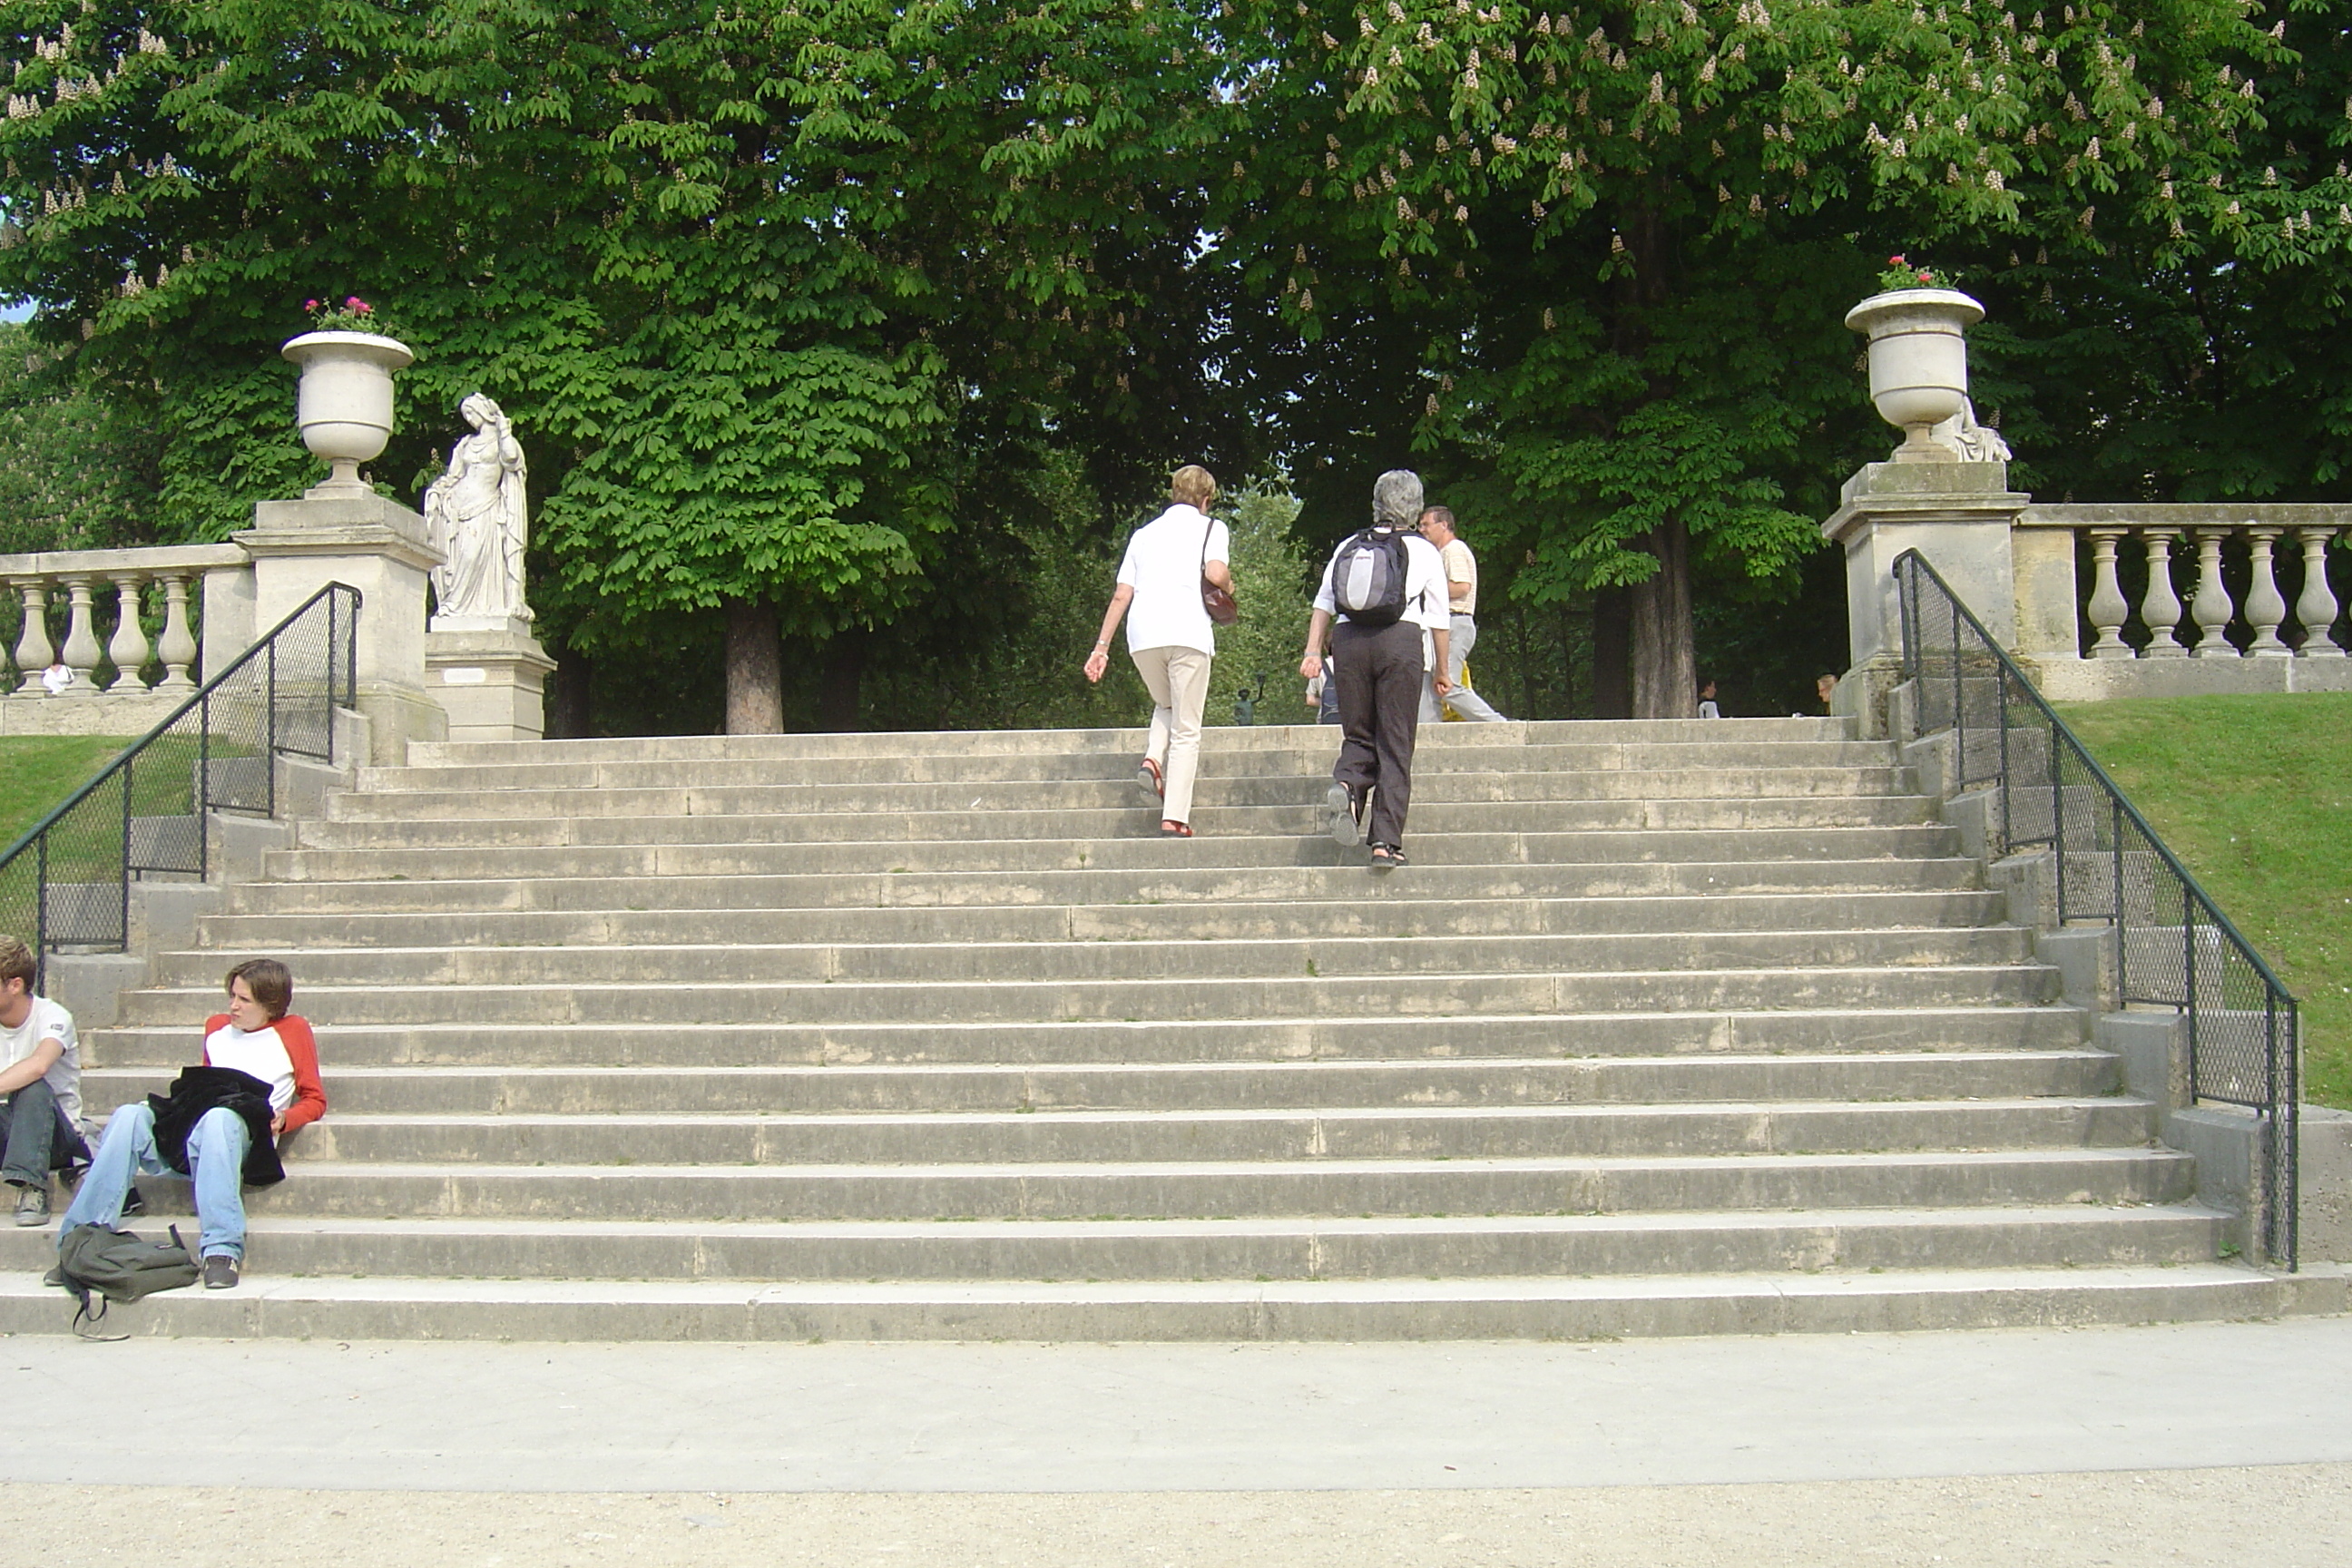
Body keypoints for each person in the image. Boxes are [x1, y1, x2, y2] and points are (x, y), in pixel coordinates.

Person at [57, 958, 325, 1289]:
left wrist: (284, 1119)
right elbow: (206, 1084)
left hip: (242, 1134)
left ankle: (221, 1249)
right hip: (195, 1133)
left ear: (270, 1005)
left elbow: (315, 1099)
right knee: (129, 1115)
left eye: (244, 1000)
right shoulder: (216, 1028)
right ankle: (80, 1241)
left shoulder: (294, 1030)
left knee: (220, 1118)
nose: (233, 1006)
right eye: (231, 996)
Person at [1298, 469, 1451, 870]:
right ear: (1415, 507)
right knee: (1395, 743)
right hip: (1400, 642)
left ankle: (1348, 787)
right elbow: (1439, 619)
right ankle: (1385, 842)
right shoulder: (1423, 551)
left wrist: (1313, 650)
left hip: (1348, 643)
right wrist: (1443, 670)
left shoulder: (1350, 544)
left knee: (1359, 732)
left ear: (1377, 503)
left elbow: (1323, 603)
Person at [1083, 465, 1233, 838]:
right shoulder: (1212, 527)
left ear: (1173, 493)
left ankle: (1152, 758)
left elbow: (1122, 594)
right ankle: (1175, 816)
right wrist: (1231, 585)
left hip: (1143, 635)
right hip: (1187, 632)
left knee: (1167, 703)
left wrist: (1101, 648)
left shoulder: (1143, 535)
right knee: (1187, 728)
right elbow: (1216, 575)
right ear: (1206, 498)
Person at [424, 393, 532, 624]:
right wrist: (438, 492)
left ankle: (457, 604)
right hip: (459, 509)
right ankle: (457, 604)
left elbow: (511, 459)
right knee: (461, 557)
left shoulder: (503, 442)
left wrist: (504, 430)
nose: (469, 418)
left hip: (486, 506)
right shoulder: (465, 444)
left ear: (483, 412)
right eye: (465, 414)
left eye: (472, 412)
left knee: (473, 556)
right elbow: (453, 476)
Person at [0, 937, 85, 1227]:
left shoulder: (53, 1017)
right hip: (7, 1132)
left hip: (57, 1137)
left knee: (31, 1086)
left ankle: (33, 1189)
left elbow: (39, 1065)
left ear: (15, 985)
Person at [1416, 506, 1510, 723]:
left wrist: (1427, 587)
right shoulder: (1442, 553)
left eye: (1426, 524)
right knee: (1429, 683)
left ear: (1444, 525)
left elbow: (1462, 586)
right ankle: (1427, 732)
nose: (1422, 530)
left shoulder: (1453, 550)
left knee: (1447, 684)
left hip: (1455, 622)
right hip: (1443, 624)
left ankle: (1498, 725)